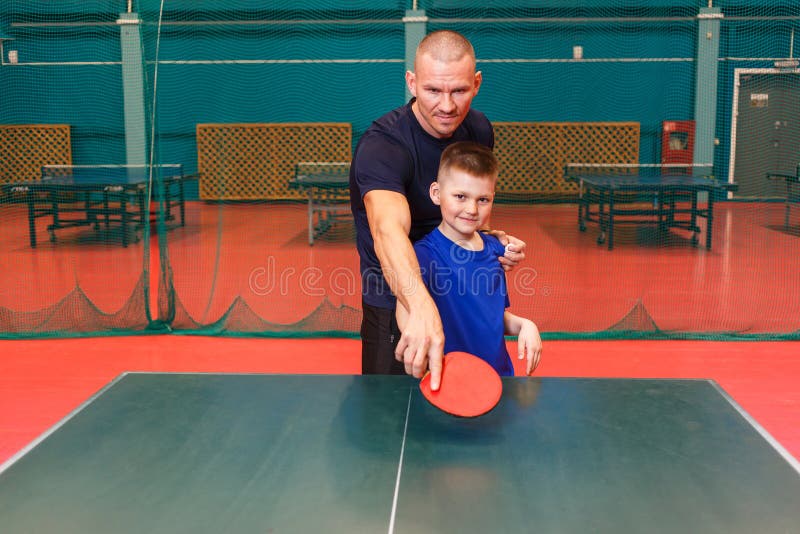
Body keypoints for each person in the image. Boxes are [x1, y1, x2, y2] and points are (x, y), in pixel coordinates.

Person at [349, 30, 526, 388]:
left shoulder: (478, 130)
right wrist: (419, 306)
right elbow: (387, 231)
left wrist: (489, 240)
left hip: (459, 295)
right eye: (433, 90)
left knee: (469, 404)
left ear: (476, 84)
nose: (446, 106)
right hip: (397, 299)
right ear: (412, 83)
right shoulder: (383, 146)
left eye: (458, 91)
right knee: (390, 413)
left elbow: (466, 204)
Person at [396, 141, 542, 376]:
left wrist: (525, 325)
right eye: (461, 196)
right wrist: (420, 355)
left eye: (483, 199)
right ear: (436, 194)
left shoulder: (495, 250)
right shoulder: (423, 254)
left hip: (498, 378)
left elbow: (492, 318)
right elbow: (408, 312)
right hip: (448, 381)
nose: (472, 209)